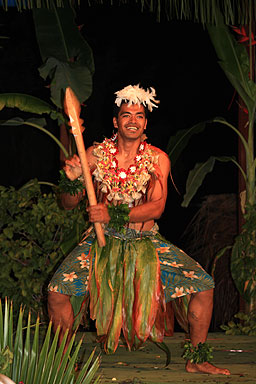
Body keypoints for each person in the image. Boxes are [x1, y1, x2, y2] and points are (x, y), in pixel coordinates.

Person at [48, 84, 230, 375]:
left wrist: (111, 213)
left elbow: (157, 207)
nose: (133, 120)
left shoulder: (158, 159)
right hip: (102, 243)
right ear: (115, 121)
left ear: (145, 122)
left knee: (203, 285)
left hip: (146, 241)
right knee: (57, 291)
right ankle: (62, 362)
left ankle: (197, 359)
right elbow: (69, 203)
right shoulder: (94, 155)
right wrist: (71, 179)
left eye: (140, 115)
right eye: (126, 114)